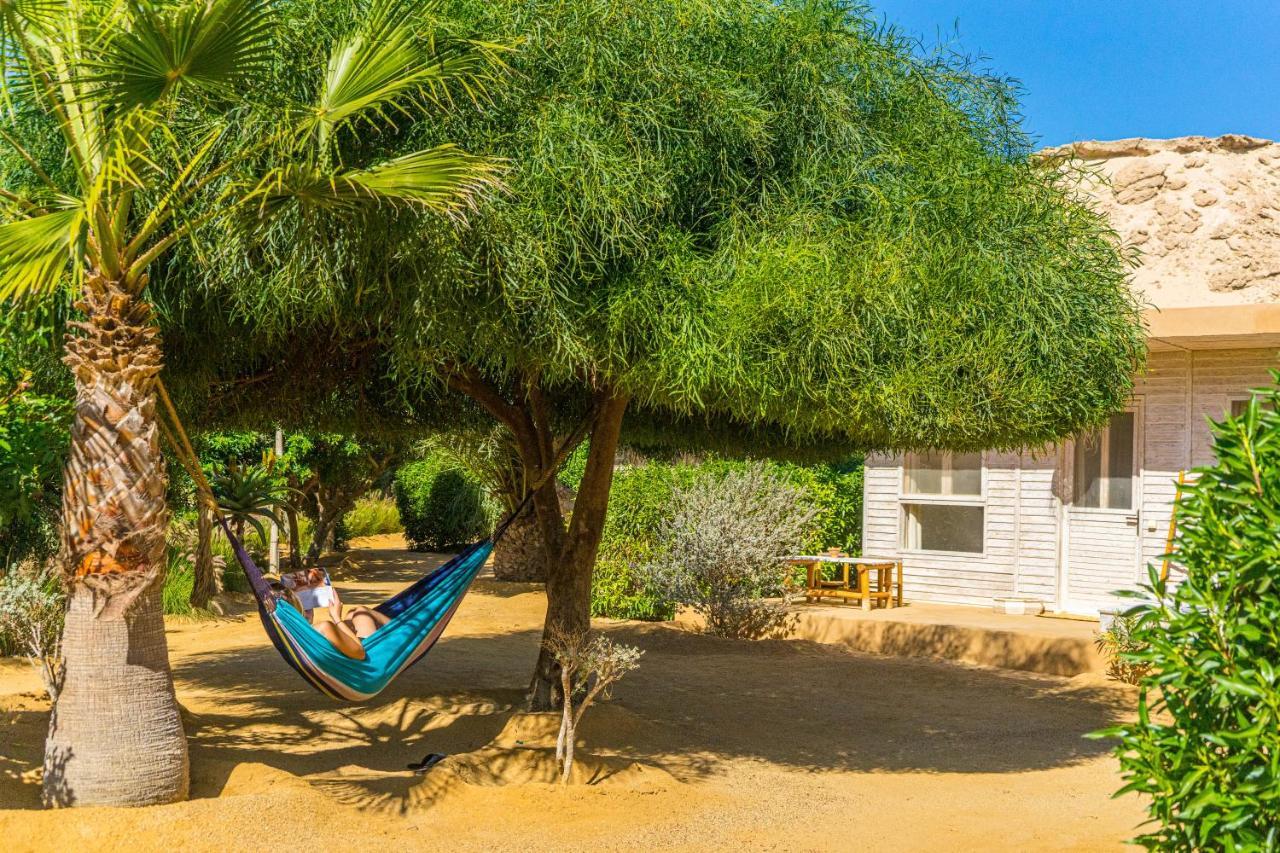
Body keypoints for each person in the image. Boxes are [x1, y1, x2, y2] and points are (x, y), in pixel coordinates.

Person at [278, 568, 390, 660]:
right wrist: (336, 617)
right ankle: (404, 631)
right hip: (367, 657)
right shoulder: (323, 627)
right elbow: (360, 653)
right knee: (361, 611)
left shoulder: (293, 636)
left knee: (352, 613)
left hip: (344, 653)